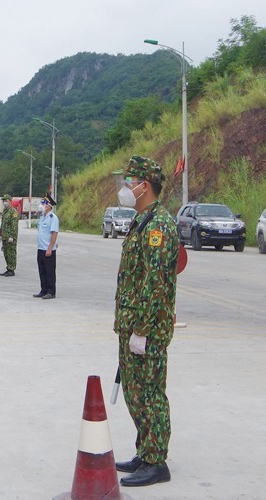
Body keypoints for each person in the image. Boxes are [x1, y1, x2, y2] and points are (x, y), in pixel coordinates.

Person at [112, 155, 178, 487]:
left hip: (146, 329)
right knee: (135, 394)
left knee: (150, 393)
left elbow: (156, 282)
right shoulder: (143, 220)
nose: (124, 187)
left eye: (129, 182)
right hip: (132, 324)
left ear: (144, 186)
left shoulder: (159, 225)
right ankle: (145, 451)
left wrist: (142, 329)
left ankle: (157, 461)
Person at [33, 193, 58, 299]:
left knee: (49, 271)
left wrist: (50, 247)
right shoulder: (42, 217)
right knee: (42, 271)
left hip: (48, 250)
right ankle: (43, 290)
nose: (41, 205)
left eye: (43, 203)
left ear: (48, 206)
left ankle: (51, 291)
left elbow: (54, 233)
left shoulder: (53, 218)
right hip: (40, 248)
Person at [0, 194, 18, 276]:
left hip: (10, 237)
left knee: (11, 253)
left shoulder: (13, 212)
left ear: (10, 201)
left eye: (5, 201)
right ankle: (8, 268)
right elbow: (2, 224)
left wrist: (12, 236)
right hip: (4, 236)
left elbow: (14, 226)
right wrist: (0, 233)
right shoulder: (5, 211)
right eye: (3, 201)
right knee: (6, 253)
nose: (4, 202)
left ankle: (12, 269)